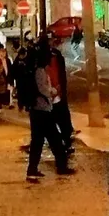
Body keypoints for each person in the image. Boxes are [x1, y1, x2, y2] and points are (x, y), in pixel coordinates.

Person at [26, 42, 74, 182]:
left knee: (40, 141)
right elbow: (43, 89)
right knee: (53, 139)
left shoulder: (35, 69)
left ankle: (33, 170)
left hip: (38, 110)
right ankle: (60, 166)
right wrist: (53, 91)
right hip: (43, 110)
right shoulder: (40, 71)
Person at [44, 36, 74, 153]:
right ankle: (60, 146)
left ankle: (65, 143)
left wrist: (59, 88)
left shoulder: (57, 56)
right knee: (52, 123)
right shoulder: (44, 58)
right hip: (48, 96)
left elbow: (60, 75)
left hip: (57, 94)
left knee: (62, 120)